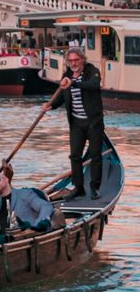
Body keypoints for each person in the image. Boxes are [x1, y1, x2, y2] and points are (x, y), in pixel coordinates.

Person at [42, 47, 104, 200]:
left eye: (76, 60)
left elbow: (93, 85)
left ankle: (95, 187)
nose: (74, 63)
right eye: (70, 61)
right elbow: (62, 95)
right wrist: (51, 105)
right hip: (76, 123)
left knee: (95, 156)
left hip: (93, 122)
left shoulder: (92, 71)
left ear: (83, 59)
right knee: (75, 156)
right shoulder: (67, 75)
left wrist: (73, 84)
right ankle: (79, 187)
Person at [0, 169, 65, 232]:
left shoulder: (24, 194)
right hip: (5, 239)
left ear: (6, 179)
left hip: (28, 235)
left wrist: (36, 226)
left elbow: (46, 206)